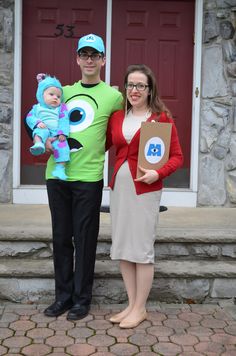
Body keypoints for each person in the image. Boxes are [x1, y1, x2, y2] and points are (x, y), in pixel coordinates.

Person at [43, 34, 123, 320]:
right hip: (57, 175)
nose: (89, 59)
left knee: (85, 238)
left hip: (89, 177)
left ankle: (82, 299)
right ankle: (62, 297)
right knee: (61, 237)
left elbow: (122, 130)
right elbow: (38, 118)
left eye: (95, 54)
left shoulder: (114, 96)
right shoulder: (61, 92)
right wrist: (43, 141)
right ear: (77, 58)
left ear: (103, 60)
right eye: (84, 54)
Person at [106, 64, 183, 328]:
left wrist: (157, 173)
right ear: (124, 88)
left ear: (150, 90)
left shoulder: (161, 118)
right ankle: (131, 304)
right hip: (120, 189)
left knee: (142, 249)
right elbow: (102, 143)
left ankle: (140, 308)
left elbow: (177, 157)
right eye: (130, 85)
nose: (134, 90)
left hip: (145, 191)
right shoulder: (117, 117)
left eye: (141, 85)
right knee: (124, 248)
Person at [26, 73, 70, 180]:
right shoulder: (37, 108)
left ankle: (59, 169)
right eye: (51, 94)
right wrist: (37, 122)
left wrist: (62, 133)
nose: (55, 98)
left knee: (63, 147)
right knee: (40, 132)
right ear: (42, 95)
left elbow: (64, 120)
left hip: (55, 133)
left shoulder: (61, 108)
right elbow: (29, 117)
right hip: (43, 128)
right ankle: (38, 144)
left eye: (58, 96)